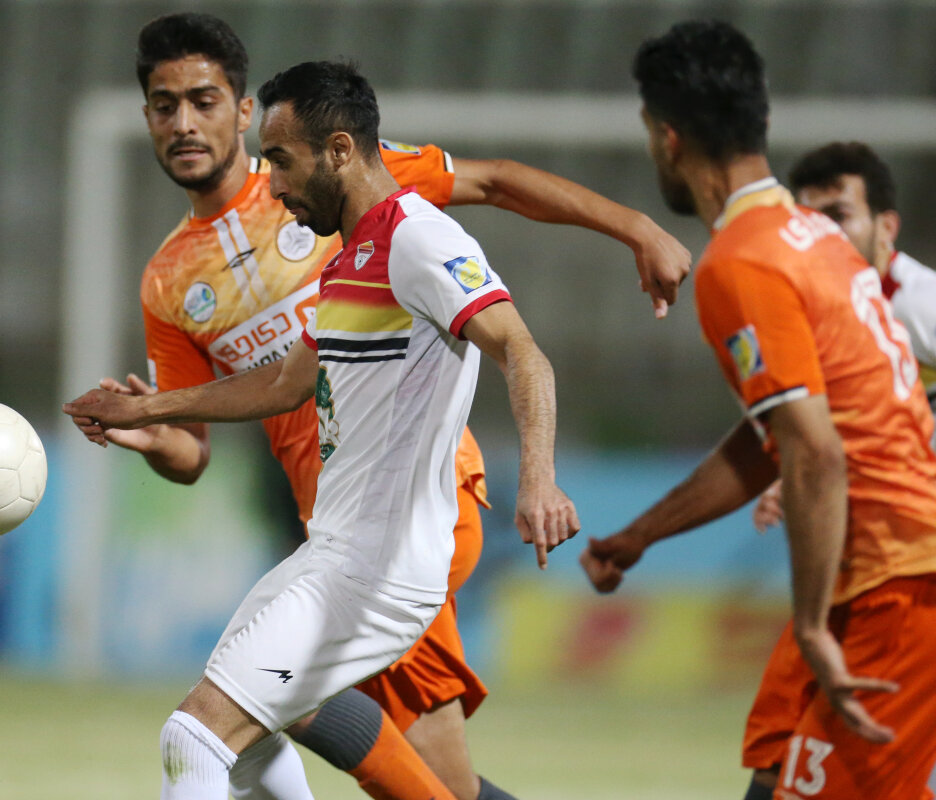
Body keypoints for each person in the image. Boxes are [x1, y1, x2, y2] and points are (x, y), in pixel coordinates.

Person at [105, 13, 691, 800]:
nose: (183, 122)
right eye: (164, 104)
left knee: (251, 712)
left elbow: (498, 193)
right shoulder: (182, 278)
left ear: (245, 112)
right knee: (354, 738)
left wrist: (636, 227)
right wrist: (151, 422)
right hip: (330, 519)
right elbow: (239, 417)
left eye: (202, 100)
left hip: (412, 515)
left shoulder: (362, 195)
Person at [578, 21, 936, 800]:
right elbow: (773, 437)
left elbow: (815, 453)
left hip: (898, 584)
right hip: (888, 574)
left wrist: (807, 626)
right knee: (776, 772)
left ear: (668, 138)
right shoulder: (818, 238)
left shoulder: (742, 262)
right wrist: (643, 534)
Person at [752, 141, 936, 532]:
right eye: (811, 220)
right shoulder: (818, 313)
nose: (825, 233)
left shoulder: (922, 304)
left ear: (887, 228)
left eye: (839, 215)